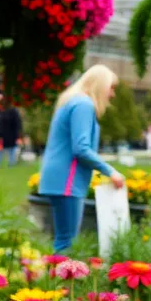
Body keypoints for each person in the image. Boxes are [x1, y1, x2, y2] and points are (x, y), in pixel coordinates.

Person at [37, 64, 125, 252]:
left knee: (62, 239)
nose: (112, 95)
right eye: (111, 88)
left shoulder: (72, 102)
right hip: (67, 181)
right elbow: (81, 148)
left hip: (60, 179)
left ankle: (53, 280)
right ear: (100, 86)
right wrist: (111, 171)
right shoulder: (84, 104)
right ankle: (62, 281)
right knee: (67, 243)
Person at [0, 93, 23, 171]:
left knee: (12, 156)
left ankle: (11, 170)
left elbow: (17, 125)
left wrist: (19, 137)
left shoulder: (12, 112)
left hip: (11, 138)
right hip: (1, 139)